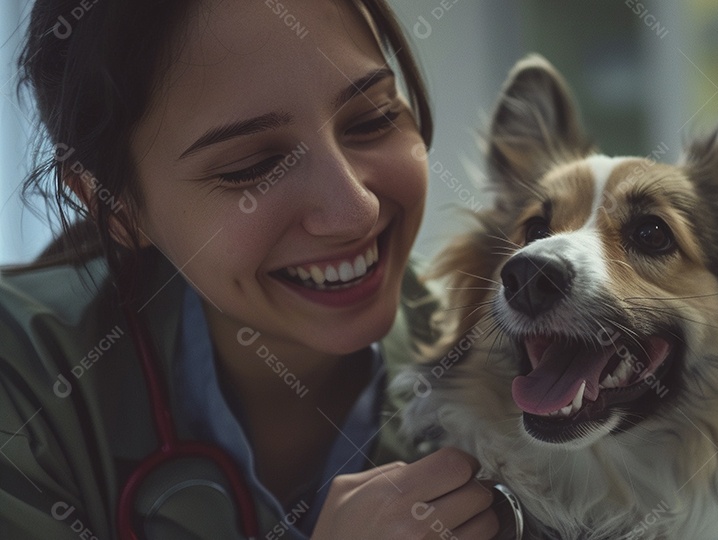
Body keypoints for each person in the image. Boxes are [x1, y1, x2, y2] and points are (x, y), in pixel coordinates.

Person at [0, 0, 502, 538]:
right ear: (114, 207)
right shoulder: (22, 382)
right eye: (253, 169)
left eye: (372, 119)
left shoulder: (502, 357)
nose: (356, 210)